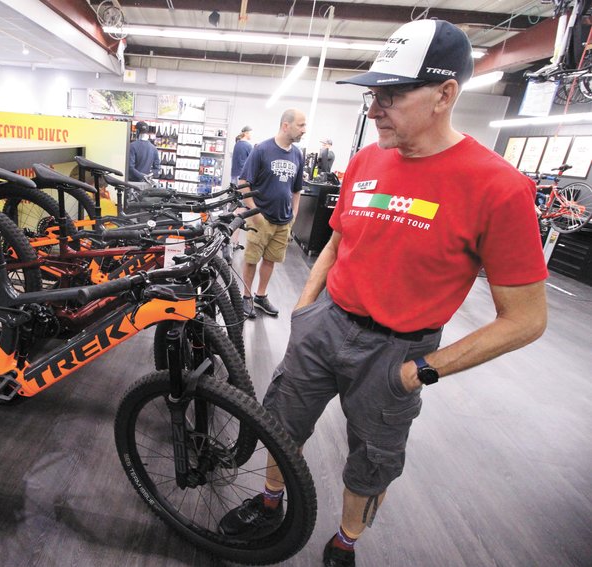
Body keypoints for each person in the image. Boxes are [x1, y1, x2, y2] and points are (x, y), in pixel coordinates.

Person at [218, 19, 548, 567]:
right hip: (325, 324)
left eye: (392, 95)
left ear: (445, 95)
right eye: (374, 94)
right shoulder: (367, 162)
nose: (375, 108)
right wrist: (306, 310)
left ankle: (345, 542)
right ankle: (270, 500)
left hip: (399, 352)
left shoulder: (499, 188)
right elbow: (338, 241)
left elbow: (526, 319)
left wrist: (423, 370)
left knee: (373, 459)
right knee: (280, 422)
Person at [238, 109, 305, 319]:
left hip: (283, 220)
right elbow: (243, 184)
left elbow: (296, 189)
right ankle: (246, 297)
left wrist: (294, 213)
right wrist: (255, 213)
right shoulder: (262, 150)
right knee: (251, 259)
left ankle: (261, 296)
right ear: (286, 125)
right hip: (261, 217)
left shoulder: (297, 154)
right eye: (300, 125)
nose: (304, 130)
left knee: (270, 260)